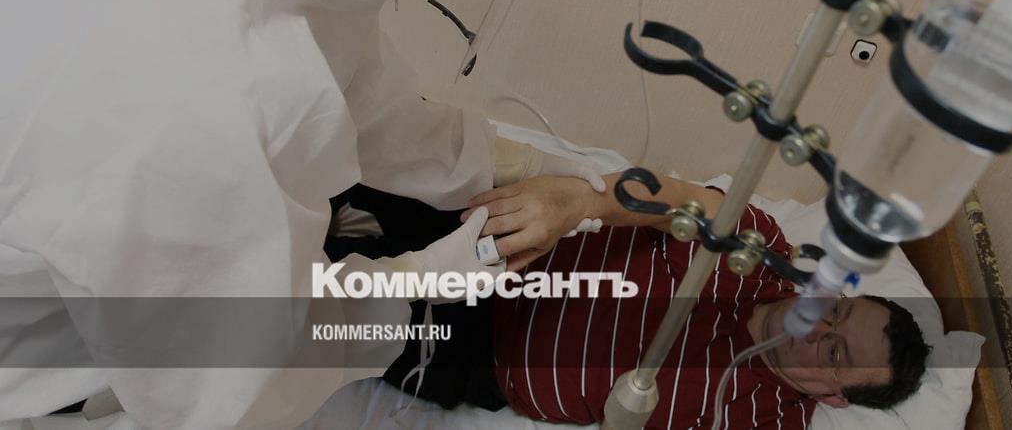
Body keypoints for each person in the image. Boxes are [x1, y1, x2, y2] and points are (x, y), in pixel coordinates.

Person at [0, 0, 598, 427]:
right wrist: (420, 280)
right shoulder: (200, 106)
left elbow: (354, 83)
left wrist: (526, 165)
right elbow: (250, 386)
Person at [321, 173, 930, 428]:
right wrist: (582, 201)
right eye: (837, 311)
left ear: (834, 397)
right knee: (324, 202)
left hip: (477, 355)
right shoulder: (759, 249)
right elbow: (675, 200)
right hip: (506, 250)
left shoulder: (760, 419)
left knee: (318, 317)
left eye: (833, 352)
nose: (816, 324)